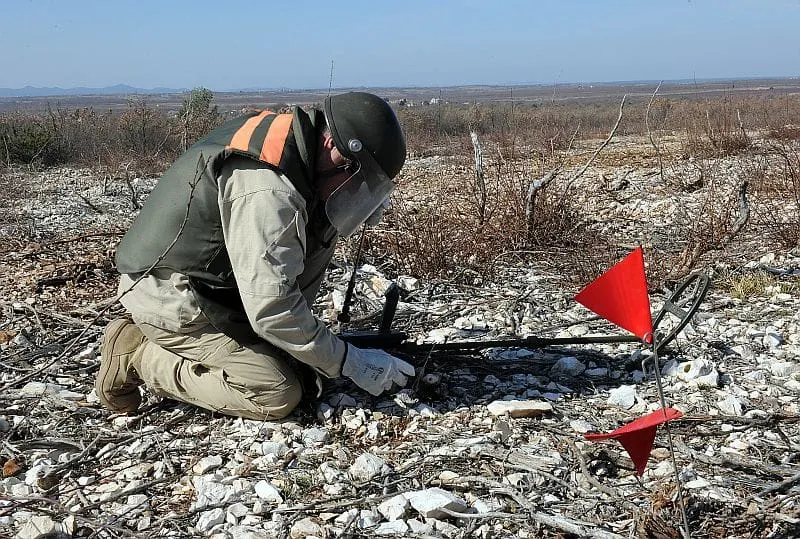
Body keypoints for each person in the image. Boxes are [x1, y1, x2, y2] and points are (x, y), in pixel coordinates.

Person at [95, 92, 415, 420]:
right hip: (173, 300)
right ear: (336, 148)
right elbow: (273, 309)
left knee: (303, 358)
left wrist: (359, 203)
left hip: (215, 289)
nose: (356, 189)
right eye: (358, 179)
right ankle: (136, 354)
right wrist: (350, 362)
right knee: (278, 393)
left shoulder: (299, 148)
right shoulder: (270, 191)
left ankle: (276, 348)